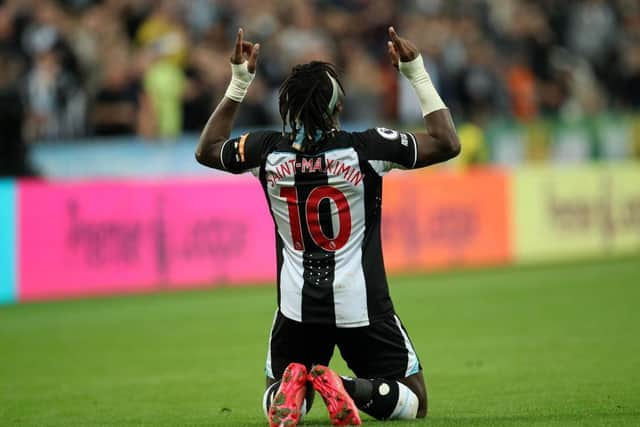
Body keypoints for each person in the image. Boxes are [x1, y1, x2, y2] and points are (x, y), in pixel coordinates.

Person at [196, 26, 460, 427]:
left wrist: (238, 83)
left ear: (288, 107)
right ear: (337, 107)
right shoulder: (368, 149)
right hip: (362, 302)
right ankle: (345, 386)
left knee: (281, 391)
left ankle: (294, 393)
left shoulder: (265, 152)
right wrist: (416, 72)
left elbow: (207, 151)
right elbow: (447, 142)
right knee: (415, 400)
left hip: (296, 305)